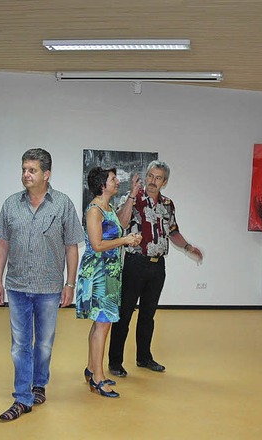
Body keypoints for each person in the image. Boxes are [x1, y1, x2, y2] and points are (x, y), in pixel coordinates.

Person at [0, 148, 84, 421]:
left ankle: (39, 384)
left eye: (31, 170)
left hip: (49, 287)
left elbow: (72, 247)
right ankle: (22, 397)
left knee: (43, 343)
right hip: (17, 285)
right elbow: (2, 244)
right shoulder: (11, 204)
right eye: (24, 169)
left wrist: (70, 283)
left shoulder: (63, 204)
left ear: (46, 174)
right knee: (20, 344)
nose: (25, 175)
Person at [108, 160, 204, 377]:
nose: (152, 181)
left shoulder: (168, 204)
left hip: (157, 267)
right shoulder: (133, 199)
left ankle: (144, 357)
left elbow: (173, 232)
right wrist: (131, 197)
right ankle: (115, 361)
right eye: (150, 175)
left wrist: (189, 247)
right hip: (134, 263)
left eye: (158, 178)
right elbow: (121, 225)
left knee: (148, 315)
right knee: (124, 315)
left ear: (165, 182)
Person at [76, 167, 141, 398]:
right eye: (113, 179)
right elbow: (96, 245)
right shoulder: (94, 210)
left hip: (110, 273)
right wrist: (125, 240)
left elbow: (122, 223)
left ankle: (92, 367)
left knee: (101, 323)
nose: (117, 182)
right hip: (98, 275)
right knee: (102, 324)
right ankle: (98, 378)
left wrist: (132, 195)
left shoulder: (108, 207)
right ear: (102, 184)